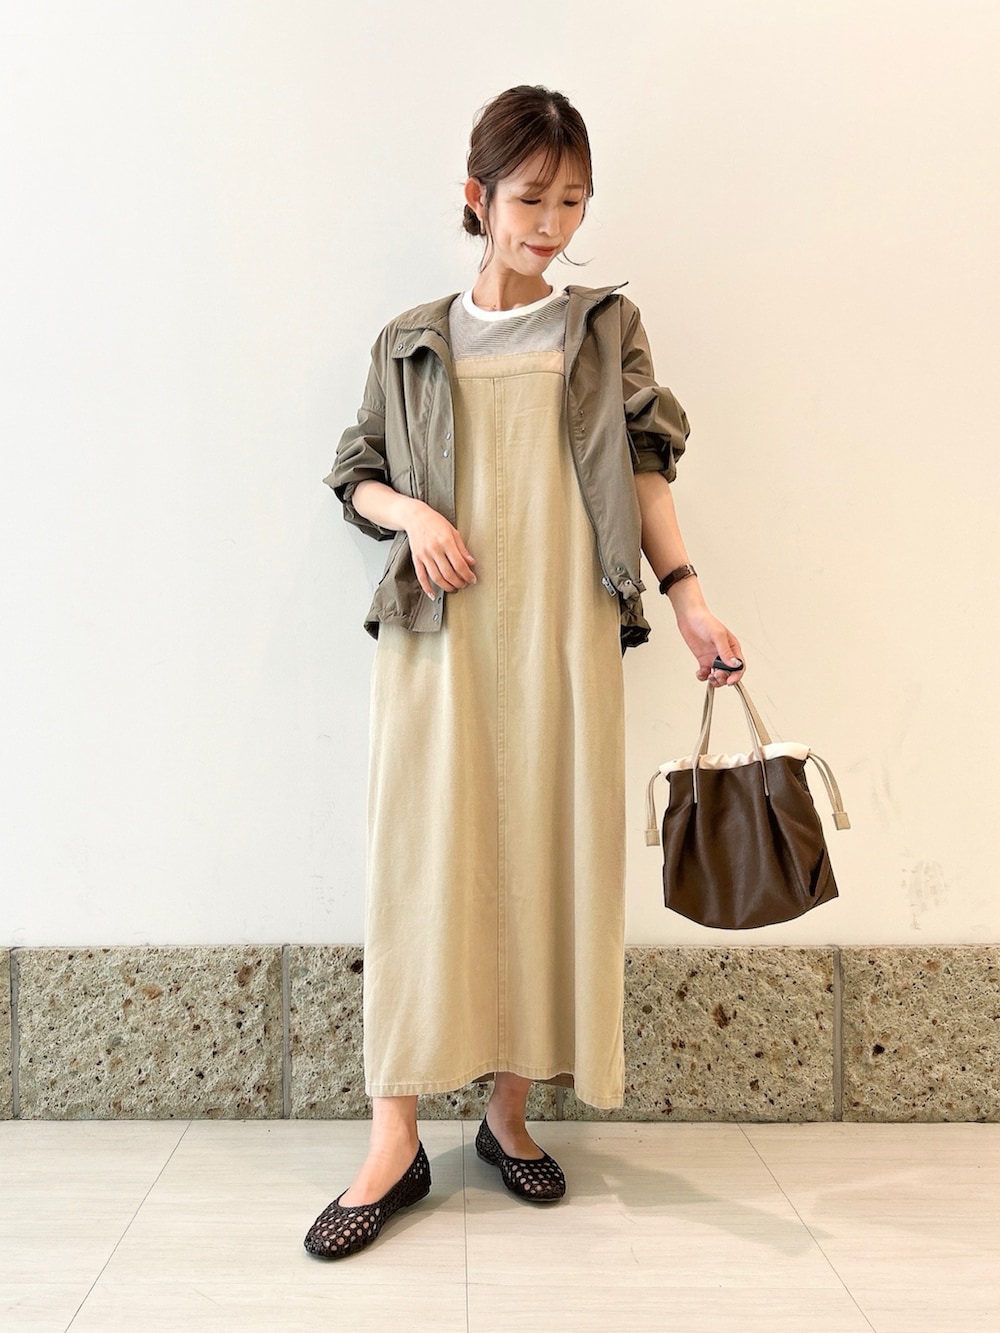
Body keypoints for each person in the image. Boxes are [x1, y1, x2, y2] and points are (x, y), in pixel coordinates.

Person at [304, 85, 745, 1260]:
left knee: (545, 852)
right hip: (439, 630)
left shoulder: (603, 328)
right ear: (477, 197)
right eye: (531, 200)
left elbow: (645, 469)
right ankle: (392, 1138)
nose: (551, 225)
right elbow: (352, 471)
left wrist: (689, 598)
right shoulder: (412, 337)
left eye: (573, 202)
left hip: (564, 623)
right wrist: (410, 514)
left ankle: (507, 1114)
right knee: (420, 862)